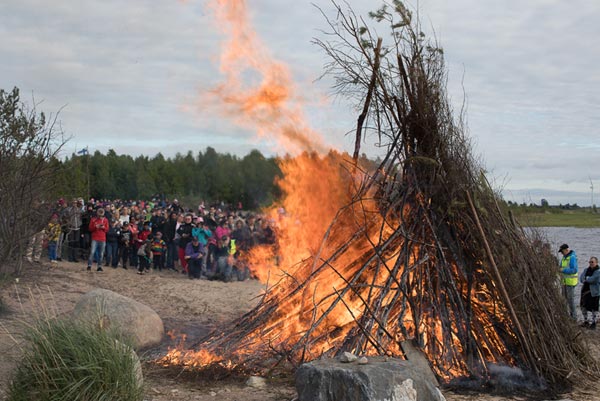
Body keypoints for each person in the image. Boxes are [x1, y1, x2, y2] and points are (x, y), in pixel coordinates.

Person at [558, 243, 578, 319]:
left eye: (562, 251)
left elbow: (574, 270)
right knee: (563, 300)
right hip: (564, 282)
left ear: (566, 250)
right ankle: (565, 316)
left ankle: (574, 317)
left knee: (570, 300)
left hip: (571, 282)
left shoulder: (572, 257)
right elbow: (560, 267)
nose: (561, 253)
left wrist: (563, 270)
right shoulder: (564, 258)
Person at [579, 256, 600, 329]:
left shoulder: (598, 271)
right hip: (585, 291)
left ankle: (593, 323)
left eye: (592, 262)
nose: (590, 263)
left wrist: (587, 278)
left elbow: (593, 279)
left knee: (594, 308)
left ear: (596, 263)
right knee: (583, 306)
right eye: (590, 262)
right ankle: (586, 321)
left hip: (594, 293)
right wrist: (586, 279)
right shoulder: (586, 270)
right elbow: (581, 278)